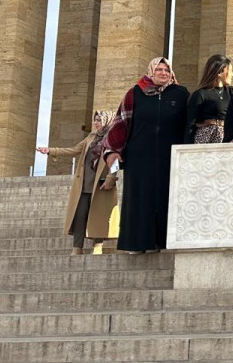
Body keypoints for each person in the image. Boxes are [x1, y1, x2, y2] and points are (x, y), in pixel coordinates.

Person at [102, 57, 188, 253]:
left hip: (170, 156)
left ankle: (162, 242)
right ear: (151, 71)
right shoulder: (135, 93)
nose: (163, 73)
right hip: (139, 156)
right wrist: (112, 151)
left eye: (166, 70)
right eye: (159, 69)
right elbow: (120, 123)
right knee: (140, 198)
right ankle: (137, 243)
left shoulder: (181, 93)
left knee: (165, 196)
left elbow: (188, 123)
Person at [37, 111, 119, 255]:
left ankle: (97, 245)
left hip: (101, 184)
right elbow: (74, 150)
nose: (96, 122)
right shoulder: (90, 137)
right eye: (95, 120)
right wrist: (50, 151)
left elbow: (115, 160)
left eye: (99, 120)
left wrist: (111, 179)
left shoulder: (113, 138)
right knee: (80, 215)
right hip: (84, 184)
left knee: (99, 215)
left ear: (106, 120)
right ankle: (77, 247)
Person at [185, 54, 233, 144]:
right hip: (206, 140)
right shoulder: (200, 94)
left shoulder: (232, 92)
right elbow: (191, 124)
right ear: (220, 72)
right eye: (230, 71)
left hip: (228, 138)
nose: (232, 75)